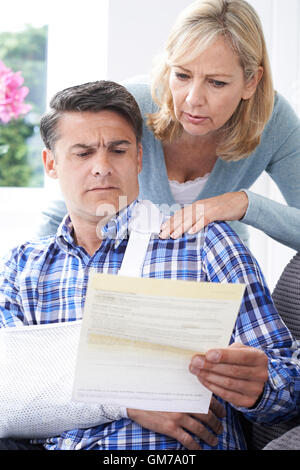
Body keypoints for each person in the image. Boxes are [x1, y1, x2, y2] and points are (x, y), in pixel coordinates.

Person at [0, 80, 299, 451]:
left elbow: (289, 386)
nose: (102, 167)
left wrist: (260, 388)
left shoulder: (206, 243)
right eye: (83, 153)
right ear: (51, 164)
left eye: (118, 150)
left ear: (139, 158)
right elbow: (6, 397)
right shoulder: (23, 267)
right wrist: (123, 401)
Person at [37, 0, 300, 253]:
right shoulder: (132, 105)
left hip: (218, 274)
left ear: (251, 81)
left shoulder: (273, 121)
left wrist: (243, 204)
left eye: (216, 82)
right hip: (128, 276)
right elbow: (70, 203)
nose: (193, 99)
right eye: (182, 75)